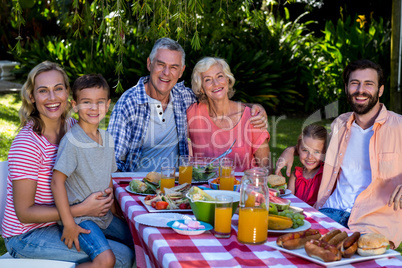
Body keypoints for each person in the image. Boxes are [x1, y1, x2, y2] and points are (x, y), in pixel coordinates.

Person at [1, 61, 134, 267]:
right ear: (31, 97)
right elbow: (24, 213)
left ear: (68, 94)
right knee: (121, 258)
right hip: (27, 235)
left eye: (58, 89)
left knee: (136, 240)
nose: (52, 98)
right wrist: (81, 209)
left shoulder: (74, 126)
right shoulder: (27, 144)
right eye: (43, 91)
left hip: (66, 218)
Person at [275, 59, 402, 247]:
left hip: (373, 222)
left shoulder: (398, 126)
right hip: (330, 211)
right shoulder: (339, 125)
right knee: (289, 246)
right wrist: (290, 150)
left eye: (369, 84)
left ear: (380, 90)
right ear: (346, 88)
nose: (361, 90)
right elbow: (315, 148)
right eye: (354, 83)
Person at [107, 37, 268, 172]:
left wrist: (254, 107)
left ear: (181, 71)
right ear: (149, 64)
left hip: (178, 188)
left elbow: (218, 98)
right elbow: (111, 160)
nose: (166, 73)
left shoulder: (182, 97)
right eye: (161, 65)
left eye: (173, 67)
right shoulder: (129, 103)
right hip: (140, 188)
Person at [51, 74, 134, 268]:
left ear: (107, 105)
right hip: (81, 219)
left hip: (103, 216)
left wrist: (116, 213)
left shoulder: (108, 139)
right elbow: (57, 181)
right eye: (86, 102)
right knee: (106, 260)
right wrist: (69, 223)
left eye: (100, 102)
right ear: (75, 105)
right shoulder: (72, 141)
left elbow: (108, 182)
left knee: (139, 240)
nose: (94, 108)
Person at [187, 57, 270, 171]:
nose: (216, 83)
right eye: (207, 80)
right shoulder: (193, 114)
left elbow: (266, 169)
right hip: (203, 188)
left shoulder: (252, 117)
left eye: (219, 76)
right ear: (201, 88)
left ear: (227, 79)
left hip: (241, 187)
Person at [287, 124, 327, 206]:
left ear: (324, 152)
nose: (310, 157)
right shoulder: (295, 176)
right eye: (305, 150)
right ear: (298, 149)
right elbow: (288, 203)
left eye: (316, 152)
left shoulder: (326, 175)